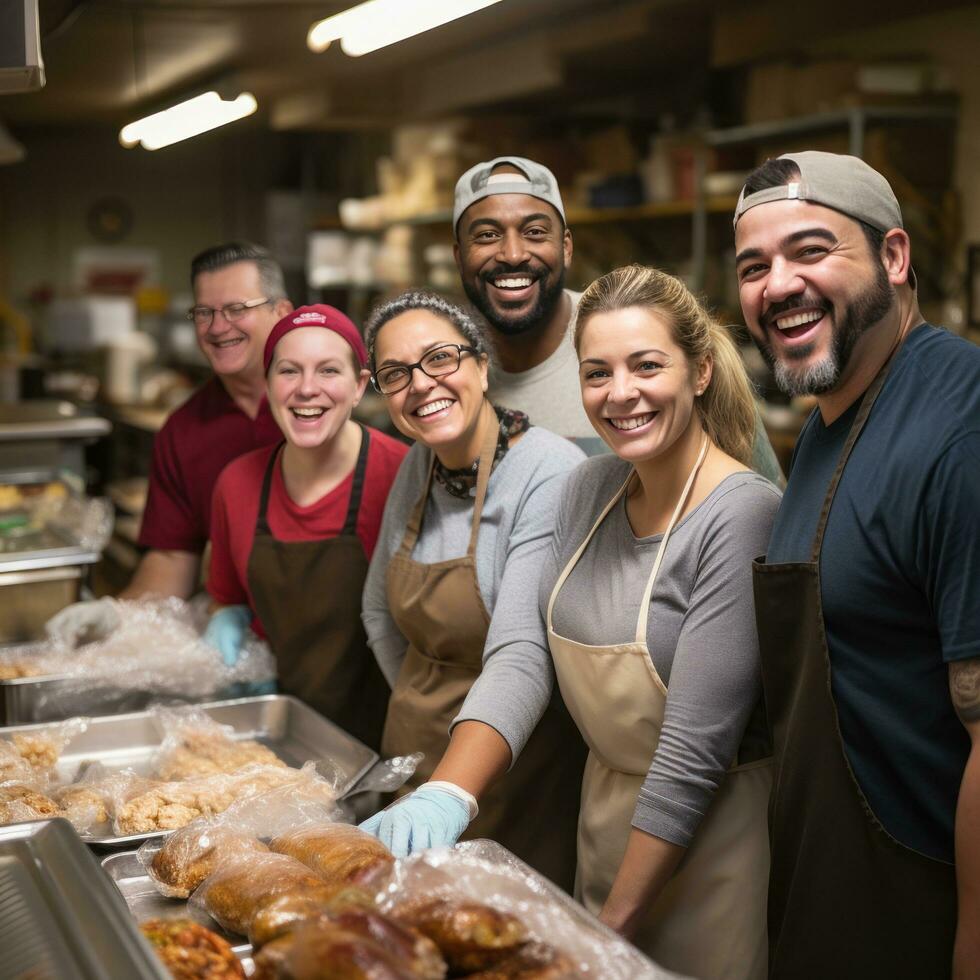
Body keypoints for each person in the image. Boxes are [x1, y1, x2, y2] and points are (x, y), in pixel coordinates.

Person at [362, 267, 780, 980]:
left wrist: (609, 925)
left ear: (702, 370)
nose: (620, 394)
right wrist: (450, 791)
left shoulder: (741, 513)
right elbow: (521, 652)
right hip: (604, 821)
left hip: (709, 845)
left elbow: (692, 754)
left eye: (646, 366)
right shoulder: (589, 488)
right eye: (597, 373)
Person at [733, 151, 980, 979]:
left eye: (811, 250)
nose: (778, 285)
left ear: (894, 257)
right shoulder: (826, 419)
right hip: (826, 898)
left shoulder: (959, 430)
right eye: (754, 266)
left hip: (922, 910)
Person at [359, 290, 586, 889]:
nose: (421, 384)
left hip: (511, 775)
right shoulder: (419, 464)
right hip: (414, 763)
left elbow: (523, 653)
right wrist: (422, 701)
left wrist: (451, 792)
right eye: (395, 373)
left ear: (482, 365)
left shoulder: (548, 470)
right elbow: (377, 612)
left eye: (440, 358)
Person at [452, 154, 784, 482]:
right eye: (486, 235)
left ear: (566, 248)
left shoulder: (642, 331)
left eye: (535, 232)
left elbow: (764, 504)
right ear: (458, 255)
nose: (513, 254)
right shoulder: (441, 375)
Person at [48, 242, 291, 641]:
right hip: (244, 645)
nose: (217, 327)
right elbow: (172, 558)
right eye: (204, 312)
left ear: (281, 312)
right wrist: (116, 617)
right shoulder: (184, 431)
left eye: (236, 309)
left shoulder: (318, 403)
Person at [205, 305, 407, 750]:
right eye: (289, 371)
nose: (307, 389)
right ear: (268, 385)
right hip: (271, 743)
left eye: (328, 371)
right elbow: (227, 600)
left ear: (358, 386)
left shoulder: (405, 476)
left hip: (383, 744)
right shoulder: (235, 484)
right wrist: (228, 632)